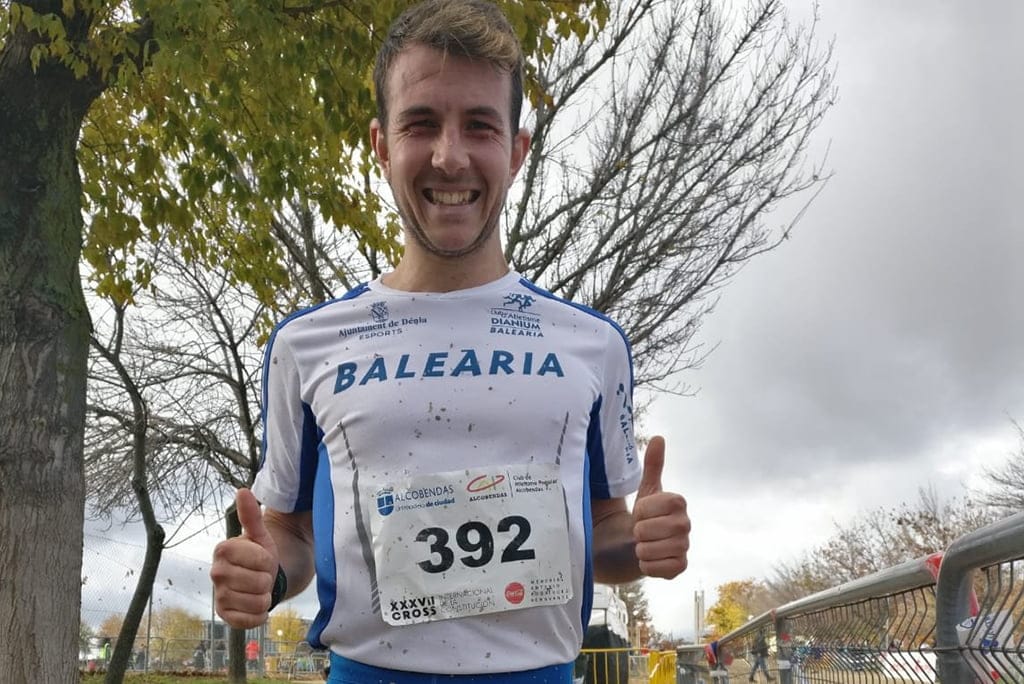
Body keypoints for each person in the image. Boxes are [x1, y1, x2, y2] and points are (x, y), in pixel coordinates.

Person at [210, 1, 691, 681]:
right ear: (381, 145)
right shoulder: (305, 345)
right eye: (421, 123)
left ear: (517, 151)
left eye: (480, 126)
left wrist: (644, 543)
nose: (450, 156)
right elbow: (288, 534)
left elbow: (610, 531)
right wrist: (261, 575)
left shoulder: (593, 345)